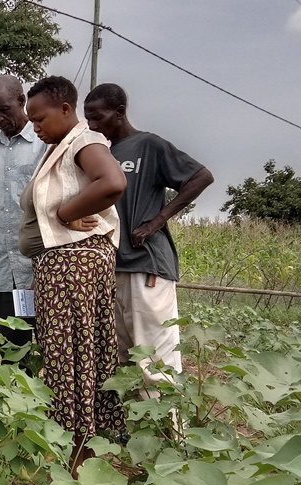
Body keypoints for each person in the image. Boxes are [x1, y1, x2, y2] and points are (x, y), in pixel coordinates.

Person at [18, 76, 127, 476]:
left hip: (73, 265)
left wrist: (64, 213)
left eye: (39, 118)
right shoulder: (61, 147)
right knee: (75, 354)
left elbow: (113, 182)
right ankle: (81, 448)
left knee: (72, 356)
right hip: (64, 266)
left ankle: (77, 455)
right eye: (31, 120)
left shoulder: (84, 142)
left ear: (66, 109)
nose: (35, 126)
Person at [83, 83, 214, 399]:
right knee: (122, 359)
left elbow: (201, 177)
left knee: (155, 360)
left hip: (147, 265)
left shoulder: (149, 145)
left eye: (97, 117)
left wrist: (156, 221)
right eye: (87, 118)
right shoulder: (103, 155)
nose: (92, 125)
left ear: (120, 112)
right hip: (113, 267)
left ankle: (171, 438)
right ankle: (138, 438)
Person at [0, 75, 45, 362]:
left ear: (21, 101)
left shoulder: (43, 144)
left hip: (37, 267)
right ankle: (14, 402)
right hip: (4, 269)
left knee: (47, 343)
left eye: (4, 109)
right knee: (12, 348)